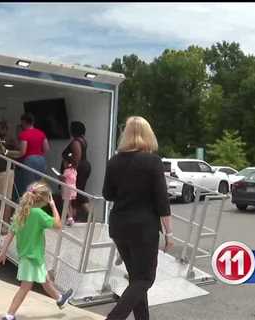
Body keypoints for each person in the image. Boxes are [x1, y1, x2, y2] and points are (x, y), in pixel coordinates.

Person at [102, 116, 174, 320]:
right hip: (143, 228)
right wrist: (169, 233)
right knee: (145, 279)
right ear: (148, 135)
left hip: (119, 226)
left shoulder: (114, 161)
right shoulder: (152, 161)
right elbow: (162, 201)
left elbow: (108, 194)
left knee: (136, 278)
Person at [0, 182, 74, 320]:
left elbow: (10, 233)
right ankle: (9, 315)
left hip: (26, 255)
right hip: (34, 256)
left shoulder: (21, 212)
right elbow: (58, 225)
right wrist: (53, 206)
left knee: (45, 280)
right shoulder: (38, 214)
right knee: (26, 287)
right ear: (43, 199)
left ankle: (60, 299)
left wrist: (3, 252)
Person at [8, 113, 50, 199]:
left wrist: (8, 153)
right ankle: (40, 206)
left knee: (29, 186)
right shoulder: (41, 133)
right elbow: (47, 149)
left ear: (24, 122)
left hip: (30, 160)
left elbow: (22, 152)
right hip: (41, 160)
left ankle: (29, 208)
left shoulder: (24, 134)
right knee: (39, 186)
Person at [60, 121, 91, 221]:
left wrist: (69, 167)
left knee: (76, 194)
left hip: (78, 170)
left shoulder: (76, 142)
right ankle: (74, 217)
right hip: (83, 167)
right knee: (76, 194)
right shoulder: (83, 140)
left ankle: (91, 217)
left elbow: (77, 157)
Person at [59, 152, 77, 226]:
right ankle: (71, 217)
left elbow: (63, 179)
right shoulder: (74, 170)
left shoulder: (66, 171)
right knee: (70, 204)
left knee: (66, 204)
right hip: (73, 188)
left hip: (67, 188)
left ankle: (69, 218)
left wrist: (59, 177)